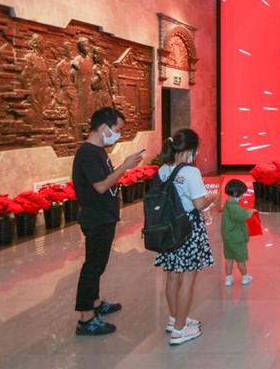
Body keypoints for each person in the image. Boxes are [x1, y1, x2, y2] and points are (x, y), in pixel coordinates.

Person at [72, 107, 143, 336]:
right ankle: (85, 319)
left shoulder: (99, 151)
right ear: (104, 127)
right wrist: (125, 167)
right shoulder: (87, 153)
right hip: (96, 217)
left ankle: (95, 303)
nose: (118, 134)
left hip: (104, 215)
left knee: (99, 264)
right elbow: (101, 186)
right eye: (117, 129)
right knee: (93, 266)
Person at [153, 129, 216, 345]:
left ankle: (174, 320)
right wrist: (213, 197)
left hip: (168, 228)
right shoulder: (191, 172)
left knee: (172, 276)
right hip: (188, 228)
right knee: (188, 279)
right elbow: (199, 203)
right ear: (191, 150)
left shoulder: (163, 169)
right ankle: (180, 330)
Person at [221, 178, 255, 286]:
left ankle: (228, 278)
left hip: (227, 237)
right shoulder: (234, 207)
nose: (242, 196)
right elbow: (242, 215)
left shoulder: (227, 204)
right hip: (236, 237)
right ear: (236, 194)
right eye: (241, 194)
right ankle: (245, 276)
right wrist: (251, 212)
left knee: (229, 258)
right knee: (240, 259)